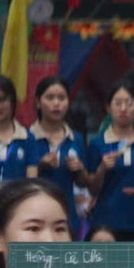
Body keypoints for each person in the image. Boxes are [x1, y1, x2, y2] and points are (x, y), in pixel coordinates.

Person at [83, 75, 134, 243]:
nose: (123, 109)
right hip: (107, 223)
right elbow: (92, 188)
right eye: (117, 103)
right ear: (108, 107)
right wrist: (102, 168)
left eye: (129, 103)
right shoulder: (97, 144)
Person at [26, 77, 88, 240]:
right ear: (38, 102)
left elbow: (83, 182)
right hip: (35, 214)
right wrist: (39, 166)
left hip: (67, 216)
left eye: (62, 98)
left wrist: (79, 169)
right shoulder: (27, 136)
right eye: (50, 98)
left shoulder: (76, 138)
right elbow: (20, 179)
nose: (56, 104)